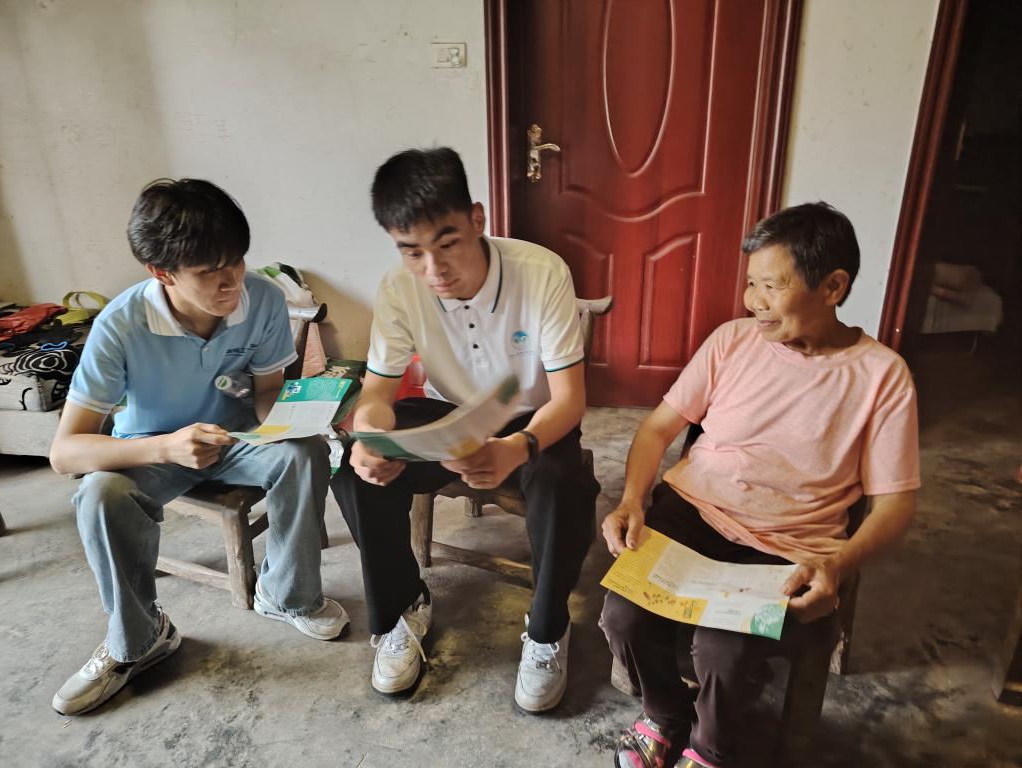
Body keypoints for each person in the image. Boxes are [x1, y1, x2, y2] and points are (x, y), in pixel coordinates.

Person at [599, 203, 920, 768]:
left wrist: (837, 564)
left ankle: (710, 751)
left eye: (772, 286)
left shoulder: (881, 376)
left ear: (833, 286)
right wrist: (631, 500)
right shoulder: (732, 341)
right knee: (622, 615)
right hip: (693, 514)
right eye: (751, 283)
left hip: (788, 545)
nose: (753, 302)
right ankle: (665, 714)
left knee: (722, 649)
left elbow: (894, 505)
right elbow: (657, 429)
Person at [49, 179, 348, 716]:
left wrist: (304, 419)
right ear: (161, 272)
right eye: (209, 271)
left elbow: (266, 395)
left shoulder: (261, 298)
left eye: (236, 260)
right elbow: (65, 452)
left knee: (305, 454)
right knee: (100, 495)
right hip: (151, 447)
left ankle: (286, 595)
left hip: (236, 440)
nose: (230, 280)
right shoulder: (120, 325)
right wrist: (166, 448)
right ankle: (140, 639)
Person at [331, 147, 599, 712]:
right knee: (356, 472)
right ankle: (404, 607)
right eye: (412, 252)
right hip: (447, 415)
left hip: (532, 420)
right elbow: (378, 393)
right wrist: (370, 435)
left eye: (448, 243)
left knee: (564, 483)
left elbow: (570, 400)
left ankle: (548, 629)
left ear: (477, 219)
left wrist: (516, 447)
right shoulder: (399, 289)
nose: (435, 270)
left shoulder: (542, 271)